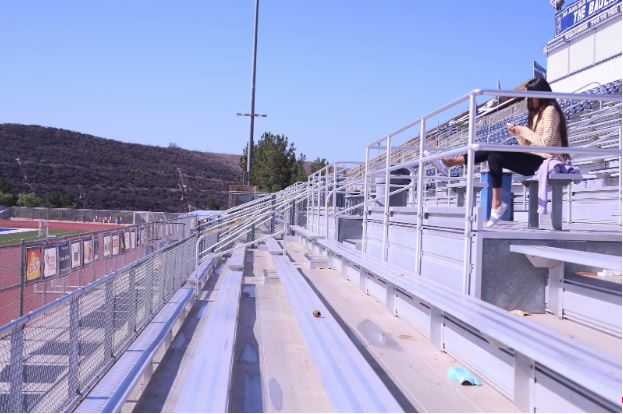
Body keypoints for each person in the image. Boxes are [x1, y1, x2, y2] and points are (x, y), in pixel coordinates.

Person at [426, 77, 568, 227]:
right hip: (534, 159)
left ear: (540, 93)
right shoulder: (536, 113)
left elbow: (547, 143)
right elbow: (528, 145)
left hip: (546, 161)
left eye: (530, 94)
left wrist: (523, 130)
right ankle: (496, 204)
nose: (528, 98)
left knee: (493, 150)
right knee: (494, 156)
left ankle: (450, 162)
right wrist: (517, 134)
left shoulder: (550, 110)